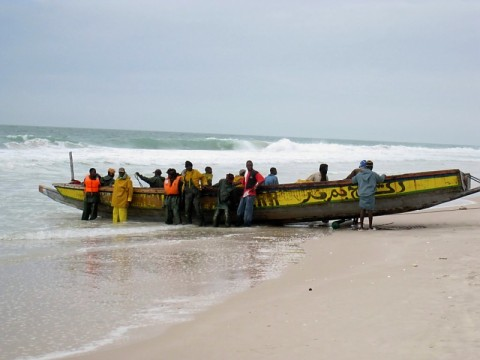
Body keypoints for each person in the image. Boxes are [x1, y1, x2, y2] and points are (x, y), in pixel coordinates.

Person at [352, 160, 386, 230]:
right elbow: (381, 179)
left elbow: (353, 180)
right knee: (370, 210)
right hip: (370, 195)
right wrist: (384, 175)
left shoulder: (359, 174)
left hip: (362, 195)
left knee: (362, 210)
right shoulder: (373, 174)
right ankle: (370, 226)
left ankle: (361, 227)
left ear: (366, 166)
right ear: (372, 167)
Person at [236, 160, 264, 227]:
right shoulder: (246, 174)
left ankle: (247, 224)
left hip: (251, 194)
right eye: (248, 165)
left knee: (248, 211)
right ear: (246, 166)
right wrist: (233, 184)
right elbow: (242, 182)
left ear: (252, 165)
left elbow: (262, 179)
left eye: (250, 165)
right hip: (244, 194)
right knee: (240, 210)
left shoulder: (255, 173)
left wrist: (256, 186)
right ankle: (239, 224)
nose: (249, 166)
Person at [182, 160, 207, 225]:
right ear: (186, 167)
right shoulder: (184, 173)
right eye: (188, 167)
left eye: (191, 166)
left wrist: (204, 184)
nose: (190, 168)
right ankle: (188, 222)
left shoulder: (196, 172)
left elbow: (203, 177)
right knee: (187, 208)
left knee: (197, 207)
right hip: (187, 192)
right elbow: (181, 180)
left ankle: (202, 222)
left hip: (196, 192)